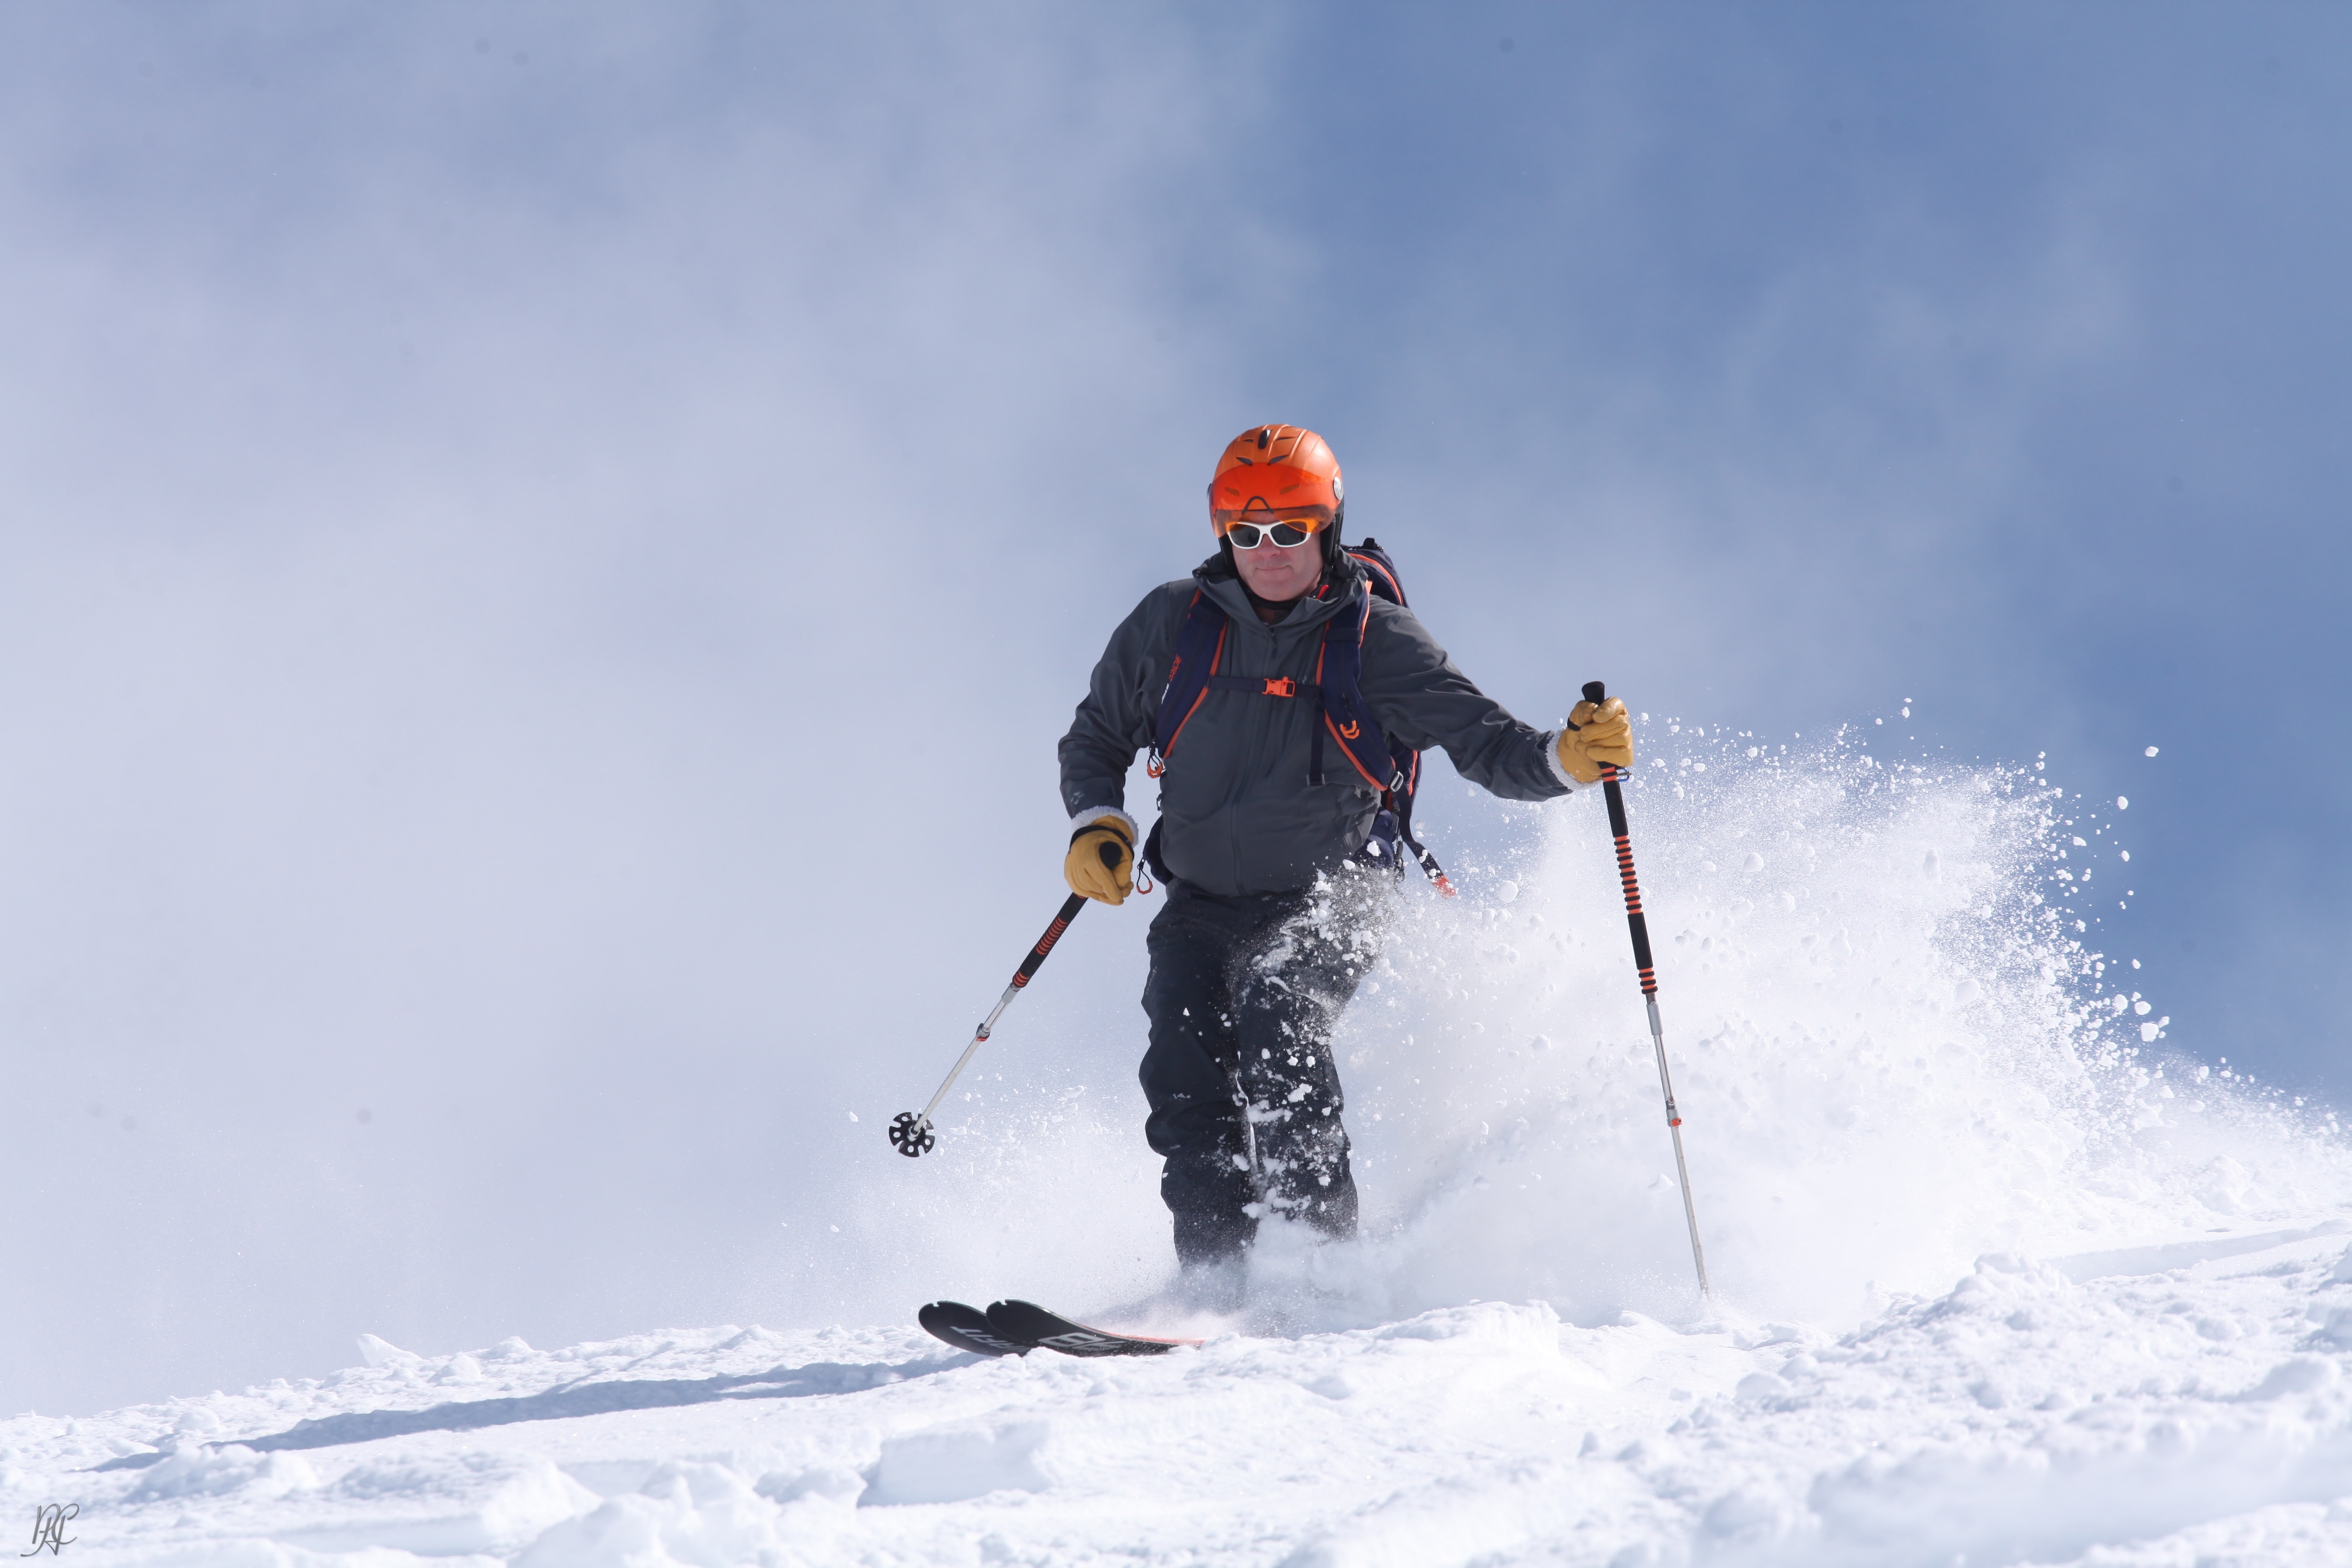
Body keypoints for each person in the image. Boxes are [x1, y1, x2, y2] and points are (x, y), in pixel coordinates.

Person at [1056, 424, 1633, 1278]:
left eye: (1289, 530)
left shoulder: (1378, 641)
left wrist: (1567, 758)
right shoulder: (1171, 625)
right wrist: (1098, 820)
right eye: (1246, 533)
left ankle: (1315, 1266)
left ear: (1326, 526)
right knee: (1185, 1069)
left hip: (1338, 891)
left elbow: (1488, 745)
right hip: (1202, 904)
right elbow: (1098, 735)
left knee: (1280, 1015)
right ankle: (1215, 1278)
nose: (1268, 552)